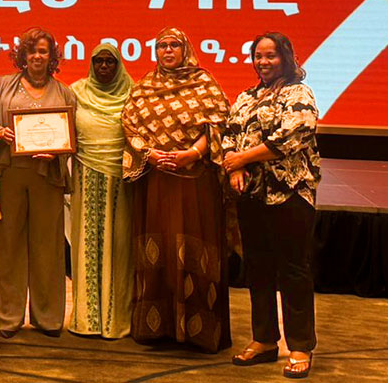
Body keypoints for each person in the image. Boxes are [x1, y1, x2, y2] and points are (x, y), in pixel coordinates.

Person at [121, 27, 232, 353]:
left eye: (174, 45)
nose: (167, 51)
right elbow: (129, 127)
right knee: (161, 250)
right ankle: (158, 329)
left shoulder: (204, 83)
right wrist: (150, 154)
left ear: (186, 50)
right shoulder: (143, 87)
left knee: (194, 248)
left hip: (195, 182)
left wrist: (193, 154)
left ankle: (198, 332)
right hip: (157, 181)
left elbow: (218, 125)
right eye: (162, 46)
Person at [223, 32, 320, 379]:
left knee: (293, 271)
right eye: (258, 56)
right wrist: (234, 167)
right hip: (251, 195)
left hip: (290, 194)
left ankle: (300, 346)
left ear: (286, 58)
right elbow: (229, 134)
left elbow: (291, 137)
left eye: (271, 55)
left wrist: (242, 159)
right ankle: (264, 339)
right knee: (258, 269)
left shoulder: (299, 94)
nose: (263, 62)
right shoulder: (246, 97)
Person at [0, 27, 76, 338]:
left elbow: (72, 138)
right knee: (7, 247)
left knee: (48, 248)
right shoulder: (3, 85)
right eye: (32, 50)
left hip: (47, 176)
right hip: (9, 173)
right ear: (22, 55)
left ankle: (47, 318)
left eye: (43, 51)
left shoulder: (65, 93)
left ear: (52, 57)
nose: (37, 56)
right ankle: (7, 318)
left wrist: (58, 152)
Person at [69, 43, 134, 339]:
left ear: (118, 65)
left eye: (110, 62)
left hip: (121, 179)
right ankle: (87, 318)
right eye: (99, 61)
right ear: (91, 64)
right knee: (86, 244)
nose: (104, 66)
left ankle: (116, 319)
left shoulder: (133, 93)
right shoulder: (76, 92)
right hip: (86, 175)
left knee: (119, 247)